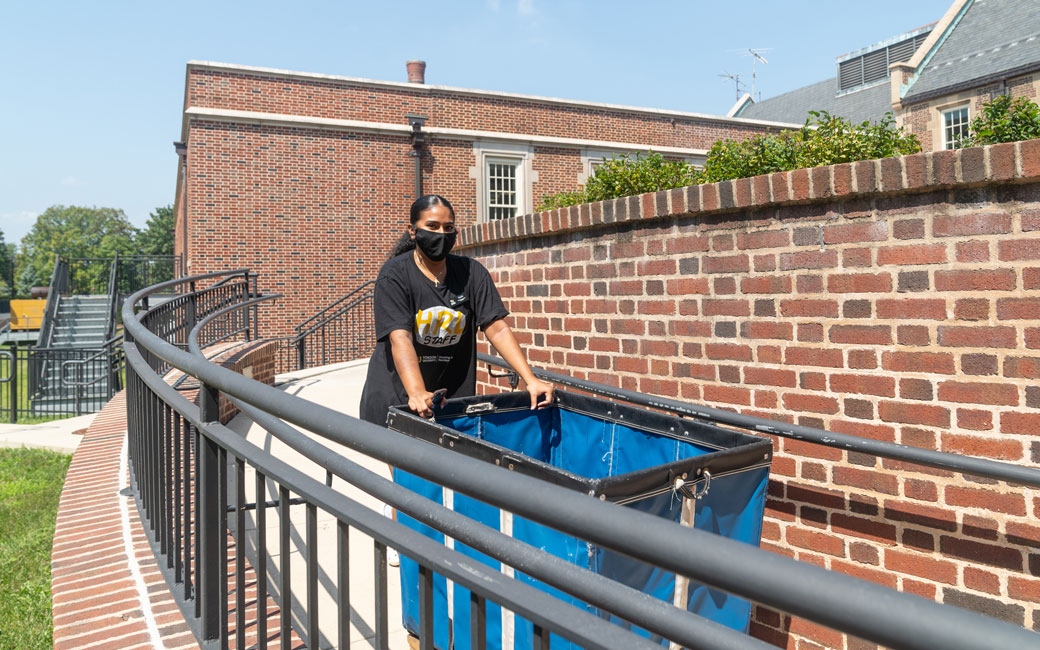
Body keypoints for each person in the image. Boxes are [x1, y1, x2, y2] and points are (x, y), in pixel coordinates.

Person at [359, 194, 554, 428]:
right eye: (432, 226)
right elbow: (400, 337)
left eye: (448, 227)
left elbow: (497, 328)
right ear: (412, 231)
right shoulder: (395, 274)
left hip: (448, 401)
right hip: (400, 396)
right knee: (410, 465)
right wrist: (417, 391)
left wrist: (530, 379)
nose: (441, 233)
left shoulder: (471, 273)